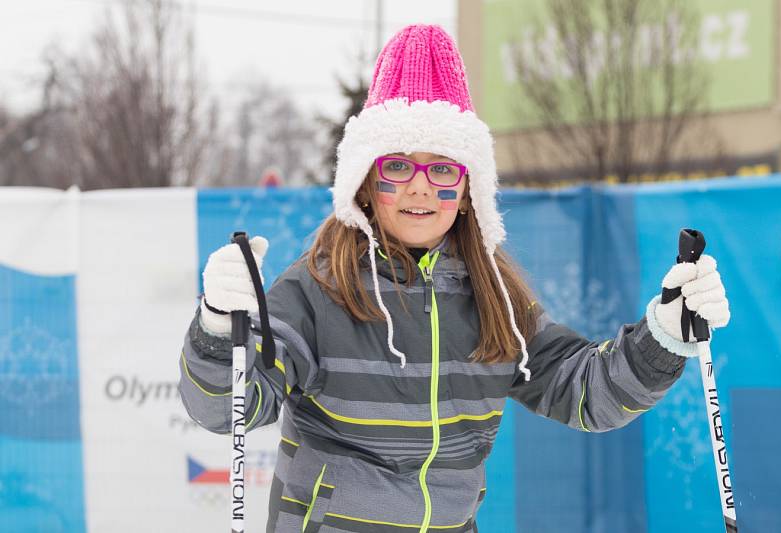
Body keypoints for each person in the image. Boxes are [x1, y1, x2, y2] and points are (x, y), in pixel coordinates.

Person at [179, 24, 730, 533]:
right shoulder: (318, 289)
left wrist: (665, 334)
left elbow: (587, 394)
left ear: (468, 193)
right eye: (397, 165)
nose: (421, 188)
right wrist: (215, 326)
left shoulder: (494, 298)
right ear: (366, 183)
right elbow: (226, 407)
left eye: (443, 169)